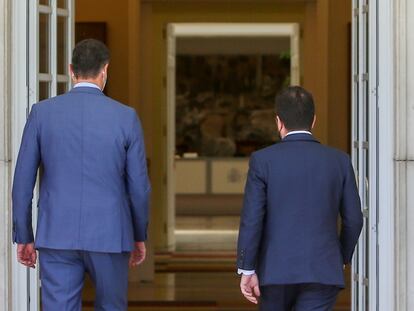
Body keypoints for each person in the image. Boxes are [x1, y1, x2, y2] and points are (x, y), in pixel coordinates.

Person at [12, 39, 151, 310]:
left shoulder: (42, 113)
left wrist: (24, 235)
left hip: (57, 233)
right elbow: (139, 187)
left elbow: (22, 181)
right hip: (111, 234)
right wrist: (138, 234)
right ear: (105, 70)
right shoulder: (126, 117)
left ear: (71, 70)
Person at [237, 86, 363, 311]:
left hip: (274, 272)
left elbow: (252, 219)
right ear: (313, 120)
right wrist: (340, 257)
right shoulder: (339, 161)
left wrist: (247, 268)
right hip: (323, 270)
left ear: (278, 122)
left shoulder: (262, 161)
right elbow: (354, 219)